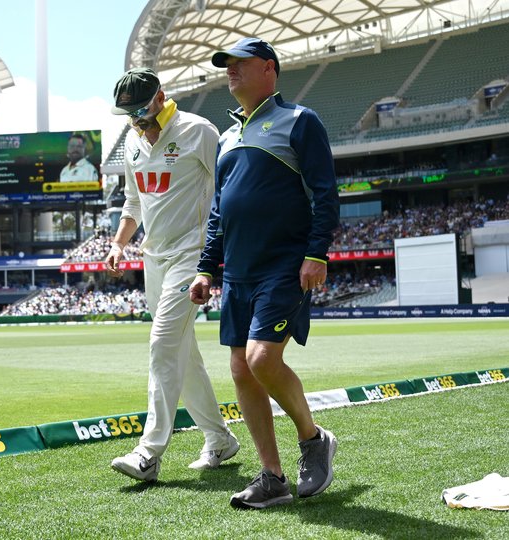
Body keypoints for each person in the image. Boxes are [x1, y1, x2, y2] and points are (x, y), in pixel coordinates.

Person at [189, 37, 340, 509]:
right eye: (226, 65)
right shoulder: (227, 137)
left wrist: (317, 253)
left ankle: (314, 439)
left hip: (284, 266)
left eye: (240, 63)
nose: (230, 71)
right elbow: (219, 211)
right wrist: (206, 268)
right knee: (240, 370)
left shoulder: (300, 120)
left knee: (259, 359)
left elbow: (326, 192)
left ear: (269, 70)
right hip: (238, 273)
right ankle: (272, 477)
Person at [106, 67, 239, 482]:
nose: (136, 120)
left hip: (192, 256)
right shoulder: (131, 139)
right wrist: (118, 243)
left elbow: (227, 192)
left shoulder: (198, 131)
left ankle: (149, 452)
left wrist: (217, 259)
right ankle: (219, 439)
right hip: (154, 258)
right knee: (184, 355)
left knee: (163, 344)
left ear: (161, 96)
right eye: (128, 113)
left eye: (141, 109)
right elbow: (133, 202)